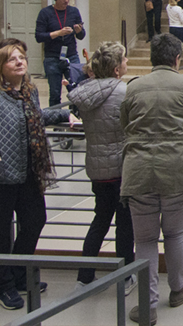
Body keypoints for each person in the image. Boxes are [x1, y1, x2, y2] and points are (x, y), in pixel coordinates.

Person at [121, 33, 183, 325]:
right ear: (177, 59)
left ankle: (146, 306)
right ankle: (178, 289)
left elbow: (125, 123)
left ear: (152, 59)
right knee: (175, 234)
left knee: (144, 240)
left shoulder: (134, 86)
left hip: (139, 172)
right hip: (178, 171)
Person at [0, 39, 76, 311]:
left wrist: (64, 115)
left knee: (35, 220)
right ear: (0, 66)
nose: (20, 62)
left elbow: (36, 118)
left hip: (28, 170)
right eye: (12, 59)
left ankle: (18, 273)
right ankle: (4, 286)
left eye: (22, 57)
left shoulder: (29, 91)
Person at [68, 42, 135, 291]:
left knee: (100, 221)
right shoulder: (124, 92)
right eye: (124, 60)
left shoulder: (86, 91)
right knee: (125, 225)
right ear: (116, 69)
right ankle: (126, 276)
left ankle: (84, 276)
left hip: (97, 169)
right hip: (121, 168)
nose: (127, 63)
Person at [35, 0, 86, 107]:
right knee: (55, 92)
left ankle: (75, 115)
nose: (66, 1)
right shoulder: (45, 13)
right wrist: (58, 33)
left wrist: (79, 31)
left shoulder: (74, 11)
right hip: (52, 57)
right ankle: (55, 117)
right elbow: (39, 37)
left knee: (76, 90)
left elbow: (81, 36)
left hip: (71, 55)